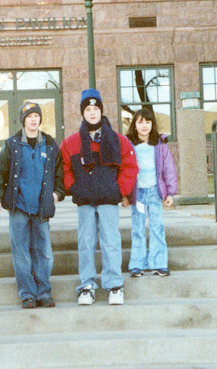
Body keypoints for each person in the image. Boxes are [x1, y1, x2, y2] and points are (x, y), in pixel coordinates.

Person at [60, 89, 138, 306]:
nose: (92, 113)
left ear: (101, 111)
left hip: (108, 199)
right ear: (82, 113)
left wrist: (118, 190)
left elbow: (130, 167)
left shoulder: (118, 140)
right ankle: (86, 286)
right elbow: (64, 168)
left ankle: (114, 285)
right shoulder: (71, 143)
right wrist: (73, 188)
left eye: (95, 109)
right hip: (85, 199)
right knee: (85, 242)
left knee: (111, 241)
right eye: (88, 109)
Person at [0, 102, 66, 309]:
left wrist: (57, 194)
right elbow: (1, 171)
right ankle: (27, 294)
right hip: (19, 206)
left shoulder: (50, 144)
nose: (33, 119)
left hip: (42, 207)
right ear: (23, 120)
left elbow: (60, 174)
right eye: (29, 116)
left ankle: (44, 292)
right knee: (21, 251)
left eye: (36, 116)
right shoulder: (12, 144)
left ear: (40, 119)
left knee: (44, 252)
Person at [125, 107, 179, 277]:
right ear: (134, 125)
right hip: (138, 194)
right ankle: (137, 264)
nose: (144, 126)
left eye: (148, 122)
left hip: (155, 193)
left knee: (157, 227)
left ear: (152, 124)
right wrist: (125, 194)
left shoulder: (160, 146)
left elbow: (168, 170)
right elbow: (123, 170)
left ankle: (159, 263)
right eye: (140, 122)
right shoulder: (128, 145)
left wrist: (170, 193)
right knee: (138, 228)